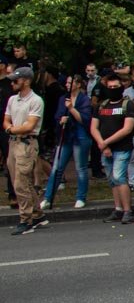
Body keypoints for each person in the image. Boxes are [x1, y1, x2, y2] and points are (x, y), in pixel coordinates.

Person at [91, 70, 134, 224]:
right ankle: (118, 209)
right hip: (105, 148)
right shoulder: (101, 105)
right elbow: (93, 127)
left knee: (119, 177)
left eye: (116, 86)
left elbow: (127, 129)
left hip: (122, 147)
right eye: (110, 87)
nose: (113, 89)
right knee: (112, 179)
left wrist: (106, 142)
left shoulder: (128, 104)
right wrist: (102, 144)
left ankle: (127, 211)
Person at [4, 66, 46, 235]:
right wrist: (12, 129)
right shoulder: (13, 99)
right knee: (21, 181)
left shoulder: (36, 100)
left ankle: (25, 219)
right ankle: (37, 214)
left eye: (16, 80)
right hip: (13, 143)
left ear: (27, 81)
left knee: (20, 183)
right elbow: (6, 120)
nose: (12, 83)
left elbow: (30, 126)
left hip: (27, 143)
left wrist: (12, 129)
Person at [42, 73, 91, 211]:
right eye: (67, 83)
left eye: (70, 83)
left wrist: (71, 109)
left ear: (78, 84)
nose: (67, 85)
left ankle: (81, 197)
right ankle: (48, 197)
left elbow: (84, 120)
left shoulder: (84, 100)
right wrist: (60, 120)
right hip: (66, 136)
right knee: (57, 167)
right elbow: (57, 116)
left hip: (80, 136)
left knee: (80, 168)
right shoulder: (63, 98)